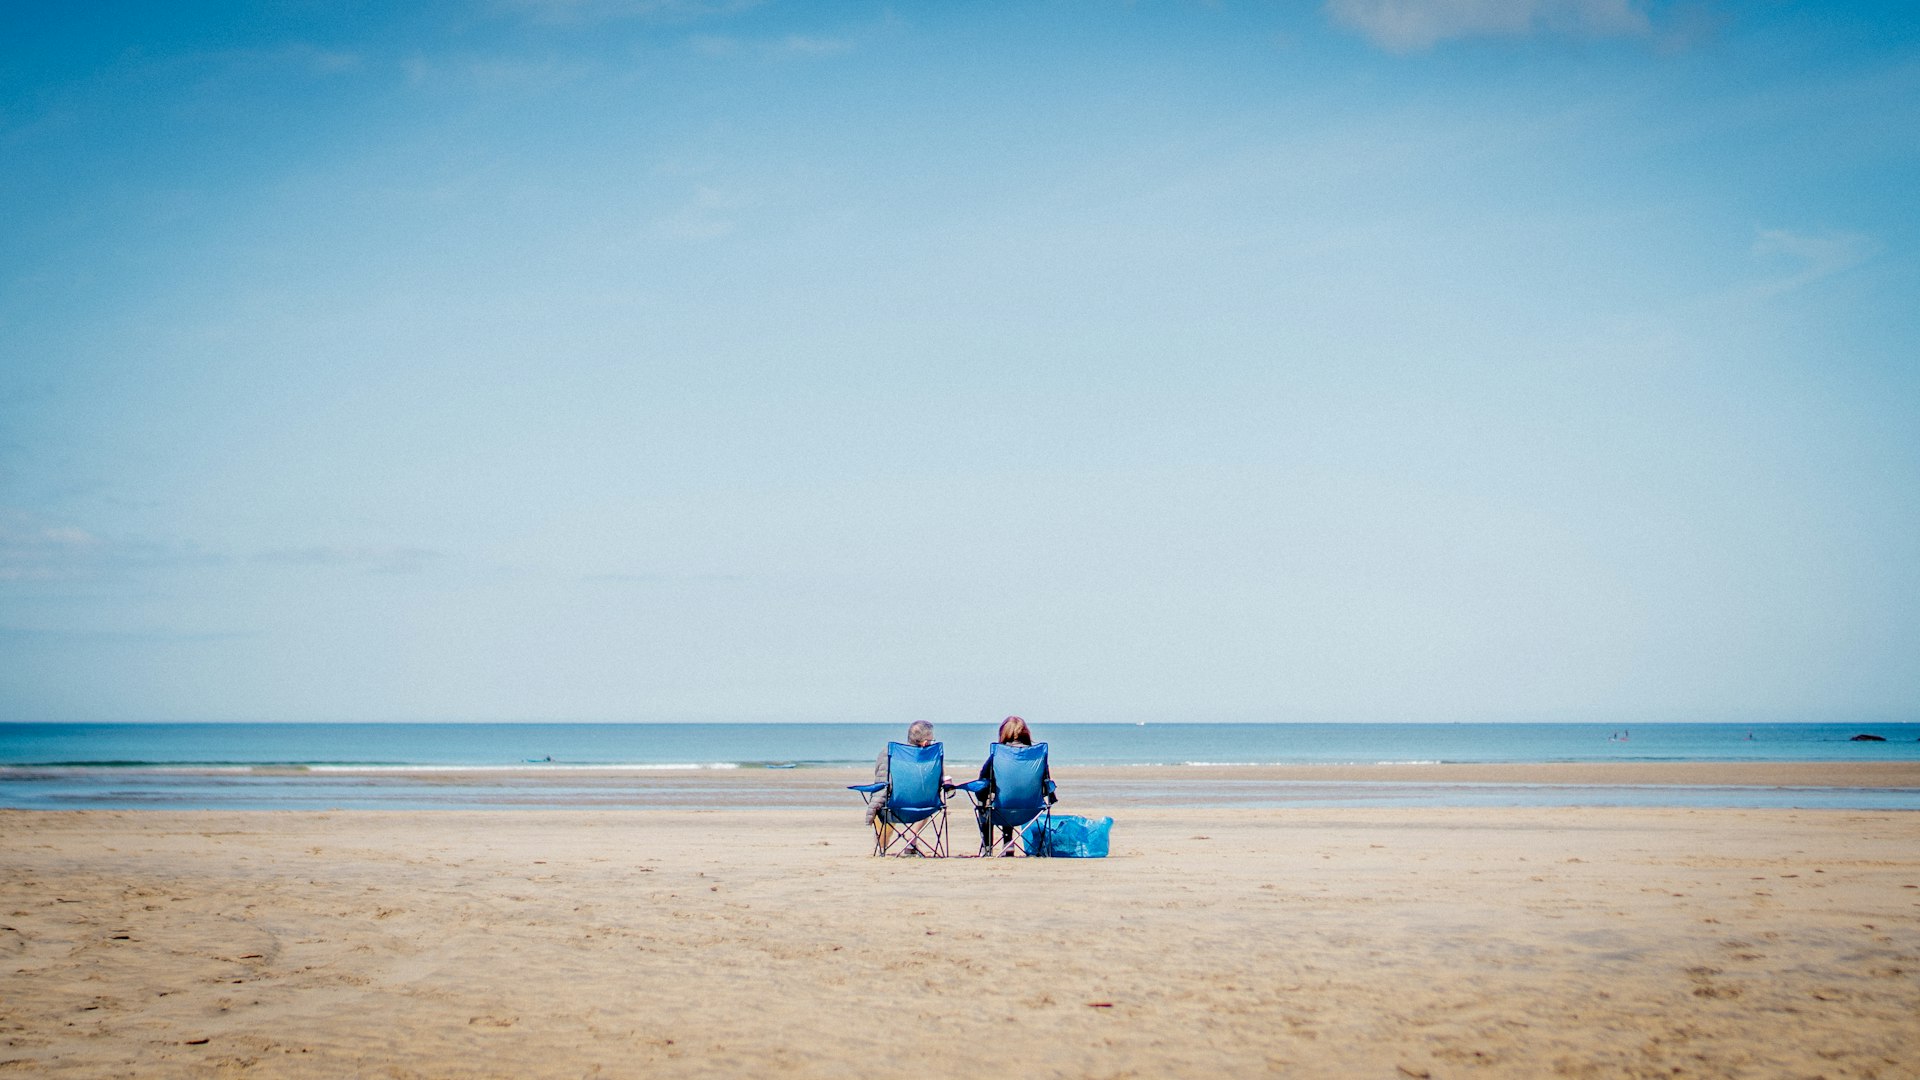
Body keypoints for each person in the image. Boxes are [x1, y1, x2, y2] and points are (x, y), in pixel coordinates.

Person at [976, 715, 1053, 856]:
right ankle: (1008, 844)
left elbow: (982, 779)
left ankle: (988, 847)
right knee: (1010, 795)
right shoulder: (1036, 756)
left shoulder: (998, 755)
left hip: (1002, 810)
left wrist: (981, 795)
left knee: (991, 800)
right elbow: (1047, 782)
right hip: (1032, 810)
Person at [868, 720, 939, 853]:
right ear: (925, 743)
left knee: (883, 800)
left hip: (893, 807)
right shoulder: (929, 758)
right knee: (928, 797)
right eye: (931, 740)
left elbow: (880, 781)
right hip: (923, 809)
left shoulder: (889, 752)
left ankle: (881, 846)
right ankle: (911, 840)